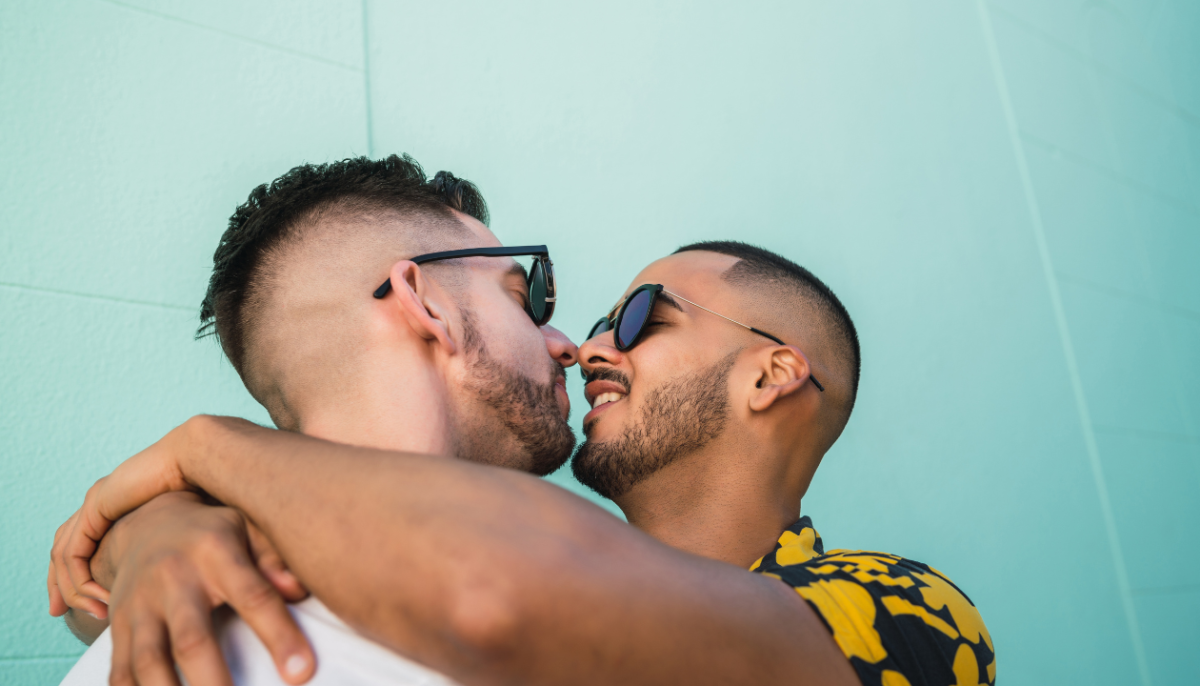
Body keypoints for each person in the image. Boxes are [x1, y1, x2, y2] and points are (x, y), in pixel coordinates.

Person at [51, 156, 995, 686]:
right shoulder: (200, 591)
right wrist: (172, 521)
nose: (582, 349)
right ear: (424, 306)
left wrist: (212, 456)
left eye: (638, 318)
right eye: (537, 301)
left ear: (773, 374)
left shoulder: (911, 614)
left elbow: (511, 589)